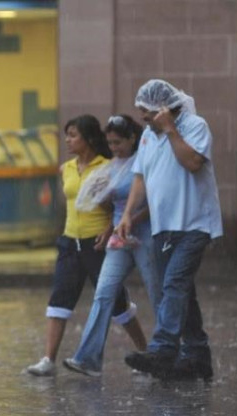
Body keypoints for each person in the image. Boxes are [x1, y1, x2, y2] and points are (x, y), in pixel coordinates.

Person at [116, 79, 223, 380]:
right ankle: (197, 355)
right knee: (181, 291)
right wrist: (127, 215)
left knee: (174, 283)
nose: (143, 120)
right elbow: (140, 178)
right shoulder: (148, 138)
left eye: (147, 113)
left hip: (194, 223)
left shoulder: (194, 126)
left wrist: (170, 130)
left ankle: (164, 348)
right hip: (163, 226)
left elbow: (192, 163)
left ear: (163, 109)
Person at [25, 114, 147, 377]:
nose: (67, 140)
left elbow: (112, 206)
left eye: (73, 135)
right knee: (59, 298)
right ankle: (48, 359)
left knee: (116, 303)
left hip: (98, 243)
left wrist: (107, 230)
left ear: (89, 138)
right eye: (66, 135)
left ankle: (145, 350)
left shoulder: (109, 167)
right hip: (70, 242)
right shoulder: (65, 168)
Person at [63, 115, 156, 377]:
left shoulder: (144, 163)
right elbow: (108, 205)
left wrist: (131, 220)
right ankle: (89, 358)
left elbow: (154, 203)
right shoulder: (113, 167)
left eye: (118, 143)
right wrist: (100, 196)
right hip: (118, 236)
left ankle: (165, 351)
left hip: (144, 234)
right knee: (104, 292)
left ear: (132, 139)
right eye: (110, 143)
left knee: (156, 291)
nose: (113, 148)